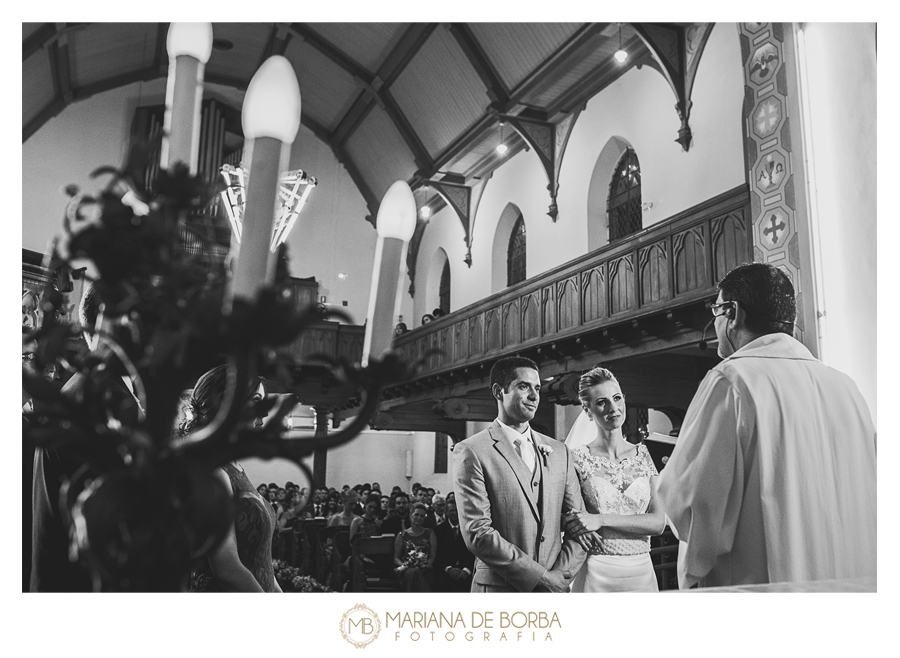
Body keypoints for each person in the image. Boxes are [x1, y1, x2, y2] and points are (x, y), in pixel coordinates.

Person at [657, 263, 876, 589]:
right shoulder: (847, 388)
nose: (715, 323)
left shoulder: (732, 380)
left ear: (732, 313)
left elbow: (693, 507)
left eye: (716, 310)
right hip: (852, 586)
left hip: (764, 589)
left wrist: (673, 475)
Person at [453, 356, 586, 592]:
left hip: (554, 592)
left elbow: (580, 525)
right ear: (498, 391)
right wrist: (540, 578)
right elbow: (478, 533)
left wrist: (559, 577)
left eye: (537, 388)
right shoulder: (472, 450)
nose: (535, 396)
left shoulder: (559, 451)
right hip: (498, 590)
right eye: (523, 387)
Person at [563, 366, 665, 592]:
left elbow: (658, 523)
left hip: (642, 572)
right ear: (588, 411)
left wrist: (600, 519)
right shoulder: (576, 459)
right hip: (596, 570)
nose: (613, 408)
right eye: (602, 402)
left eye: (617, 398)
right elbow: (568, 517)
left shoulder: (644, 456)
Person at [180, 365, 281, 592]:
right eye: (255, 399)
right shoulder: (211, 469)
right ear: (224, 404)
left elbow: (259, 559)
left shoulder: (232, 466)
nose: (264, 411)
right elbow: (227, 569)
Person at [393, 502, 437, 592]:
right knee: (413, 572)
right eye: (416, 514)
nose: (419, 518)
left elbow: (433, 555)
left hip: (425, 569)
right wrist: (405, 565)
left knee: (420, 574)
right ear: (410, 515)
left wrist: (427, 564)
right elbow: (396, 558)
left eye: (422, 516)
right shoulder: (402, 535)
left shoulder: (430, 533)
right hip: (407, 570)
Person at [434, 497, 475, 592]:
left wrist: (466, 570)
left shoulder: (469, 529)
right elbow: (438, 555)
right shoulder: (438, 530)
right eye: (451, 510)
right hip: (446, 572)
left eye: (457, 510)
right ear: (446, 512)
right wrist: (448, 569)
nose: (454, 513)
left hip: (466, 571)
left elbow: (473, 552)